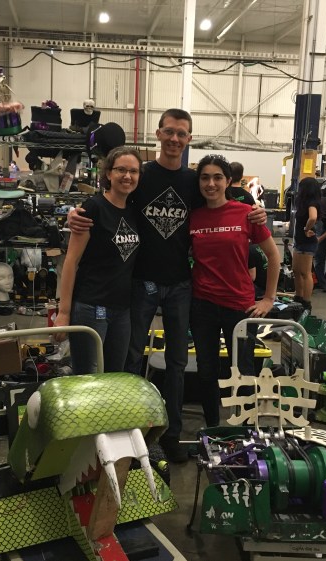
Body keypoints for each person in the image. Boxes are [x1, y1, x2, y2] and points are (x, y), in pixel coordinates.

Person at [67, 109, 268, 463]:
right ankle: (128, 430)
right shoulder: (141, 175)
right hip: (140, 282)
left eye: (182, 134)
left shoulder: (193, 181)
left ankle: (172, 434)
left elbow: (220, 203)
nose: (175, 139)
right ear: (159, 133)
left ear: (189, 139)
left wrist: (255, 213)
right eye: (169, 132)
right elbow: (112, 200)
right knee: (131, 359)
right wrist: (77, 213)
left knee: (176, 362)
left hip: (180, 285)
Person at [189, 155, 280, 427]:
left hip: (240, 307)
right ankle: (213, 427)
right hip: (203, 305)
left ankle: (245, 430)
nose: (211, 183)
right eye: (205, 178)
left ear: (228, 181)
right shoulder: (194, 216)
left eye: (217, 177)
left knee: (243, 371)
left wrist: (268, 298)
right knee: (206, 371)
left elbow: (273, 256)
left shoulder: (246, 213)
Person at [55, 147, 142, 375]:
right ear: (109, 173)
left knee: (115, 378)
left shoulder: (134, 211)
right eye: (121, 170)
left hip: (122, 311)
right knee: (87, 379)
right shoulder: (93, 208)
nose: (127, 176)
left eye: (133, 171)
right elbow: (71, 261)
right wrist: (63, 312)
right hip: (91, 307)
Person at [292, 177, 321, 310]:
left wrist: (306, 229)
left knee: (305, 272)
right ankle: (298, 296)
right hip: (299, 240)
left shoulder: (312, 203)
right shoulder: (304, 203)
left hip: (307, 242)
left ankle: (306, 301)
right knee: (296, 270)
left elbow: (313, 217)